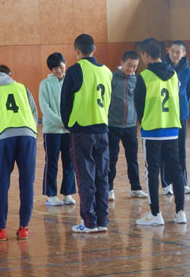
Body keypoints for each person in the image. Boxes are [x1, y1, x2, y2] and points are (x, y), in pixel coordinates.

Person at [60, 33, 112, 233]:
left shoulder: (75, 70)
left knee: (85, 177)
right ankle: (103, 221)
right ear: (94, 49)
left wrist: (69, 124)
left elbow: (65, 102)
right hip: (102, 128)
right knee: (102, 176)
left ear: (77, 50)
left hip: (82, 130)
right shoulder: (106, 71)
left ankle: (89, 222)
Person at [0, 65, 38, 240]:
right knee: (27, 182)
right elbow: (34, 113)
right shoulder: (22, 87)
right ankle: (24, 228)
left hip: (3, 138)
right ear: (10, 75)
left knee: (2, 183)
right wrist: (31, 133)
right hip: (27, 135)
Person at [134, 38, 187, 226]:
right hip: (172, 128)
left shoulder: (144, 77)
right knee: (176, 170)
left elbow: (139, 106)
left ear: (145, 55)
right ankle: (180, 212)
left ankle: (155, 214)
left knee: (152, 171)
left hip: (152, 131)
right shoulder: (174, 75)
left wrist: (146, 121)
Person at [107, 50, 147, 201]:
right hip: (113, 125)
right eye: (129, 65)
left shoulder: (136, 80)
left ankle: (135, 188)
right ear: (121, 63)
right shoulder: (111, 78)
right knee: (111, 159)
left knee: (133, 159)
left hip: (130, 126)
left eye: (135, 66)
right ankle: (109, 188)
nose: (131, 69)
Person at [39, 52, 76, 206]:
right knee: (52, 163)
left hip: (68, 130)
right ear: (51, 70)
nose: (59, 71)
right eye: (55, 69)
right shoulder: (45, 84)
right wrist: (62, 122)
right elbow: (45, 108)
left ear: (65, 64)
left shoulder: (71, 82)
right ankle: (51, 195)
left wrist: (69, 123)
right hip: (52, 131)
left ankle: (68, 193)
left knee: (69, 162)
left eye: (61, 67)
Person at [161, 40, 190, 195]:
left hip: (181, 116)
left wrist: (182, 107)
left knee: (181, 150)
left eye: (178, 52)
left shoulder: (187, 71)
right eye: (172, 51)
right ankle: (166, 183)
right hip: (166, 115)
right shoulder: (162, 68)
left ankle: (182, 182)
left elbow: (188, 92)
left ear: (184, 54)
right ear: (168, 51)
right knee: (166, 149)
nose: (174, 54)